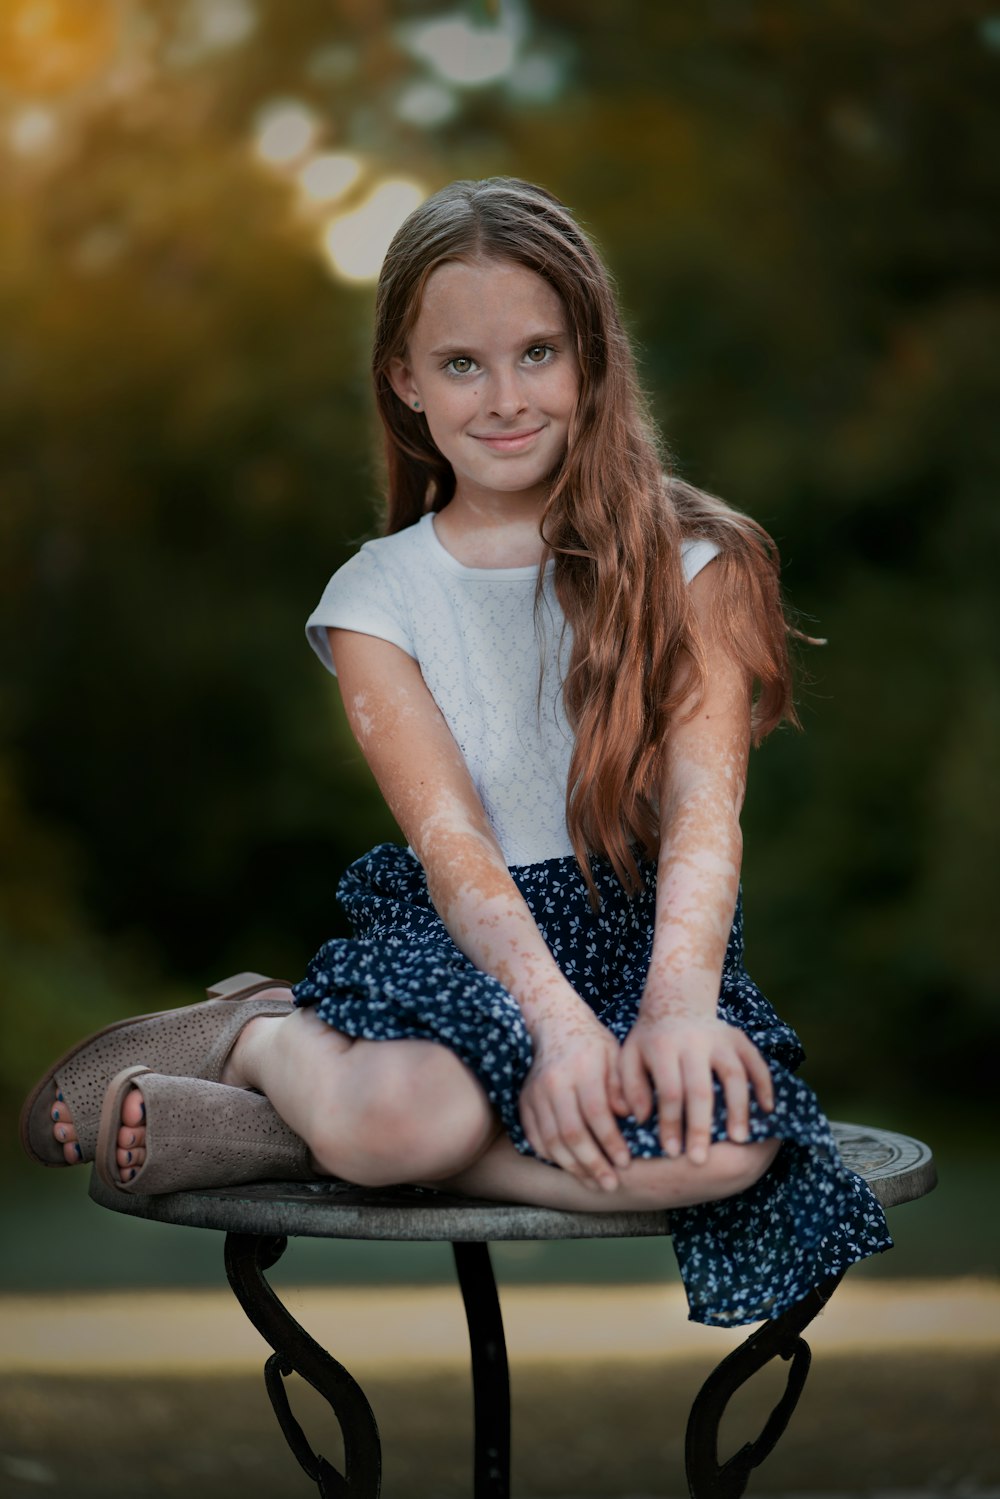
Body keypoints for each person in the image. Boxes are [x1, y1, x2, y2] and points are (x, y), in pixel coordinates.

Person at [21, 177, 891, 1327]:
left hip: (645, 936)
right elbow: (453, 842)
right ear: (404, 381)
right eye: (462, 364)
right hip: (475, 940)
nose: (505, 397)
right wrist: (558, 1023)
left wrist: (676, 1005)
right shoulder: (381, 594)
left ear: (592, 355)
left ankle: (278, 1126)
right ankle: (268, 1037)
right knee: (408, 1118)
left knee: (725, 1148)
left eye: (537, 352)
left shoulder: (699, 559)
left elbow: (700, 817)